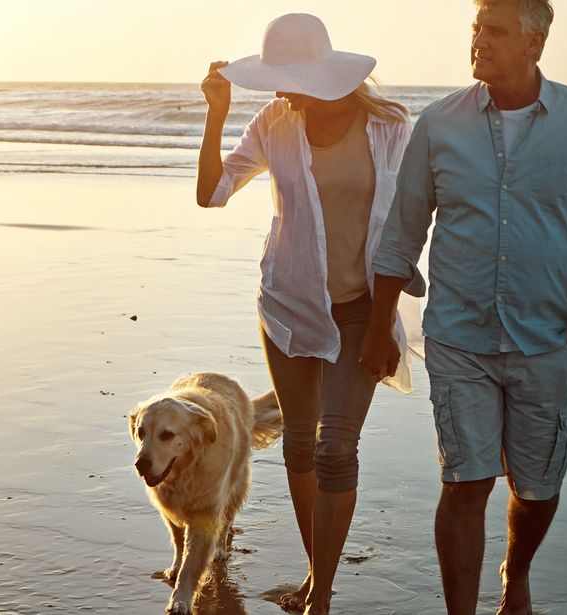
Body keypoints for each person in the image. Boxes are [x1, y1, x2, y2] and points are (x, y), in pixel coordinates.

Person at [360, 1, 567, 613]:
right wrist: (379, 327)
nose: (479, 40)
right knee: (465, 481)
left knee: (537, 488)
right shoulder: (440, 123)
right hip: (459, 338)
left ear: (535, 43)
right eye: (476, 28)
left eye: (495, 31)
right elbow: (402, 234)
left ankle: (517, 573)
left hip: (548, 341)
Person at [194, 13, 419, 615]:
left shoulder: (391, 128)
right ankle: (318, 578)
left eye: (288, 77)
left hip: (365, 310)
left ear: (323, 75)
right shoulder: (274, 123)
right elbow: (212, 194)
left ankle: (320, 595)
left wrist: (385, 322)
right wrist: (216, 114)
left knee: (335, 449)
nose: (278, 89)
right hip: (289, 305)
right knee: (299, 443)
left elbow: (412, 222)